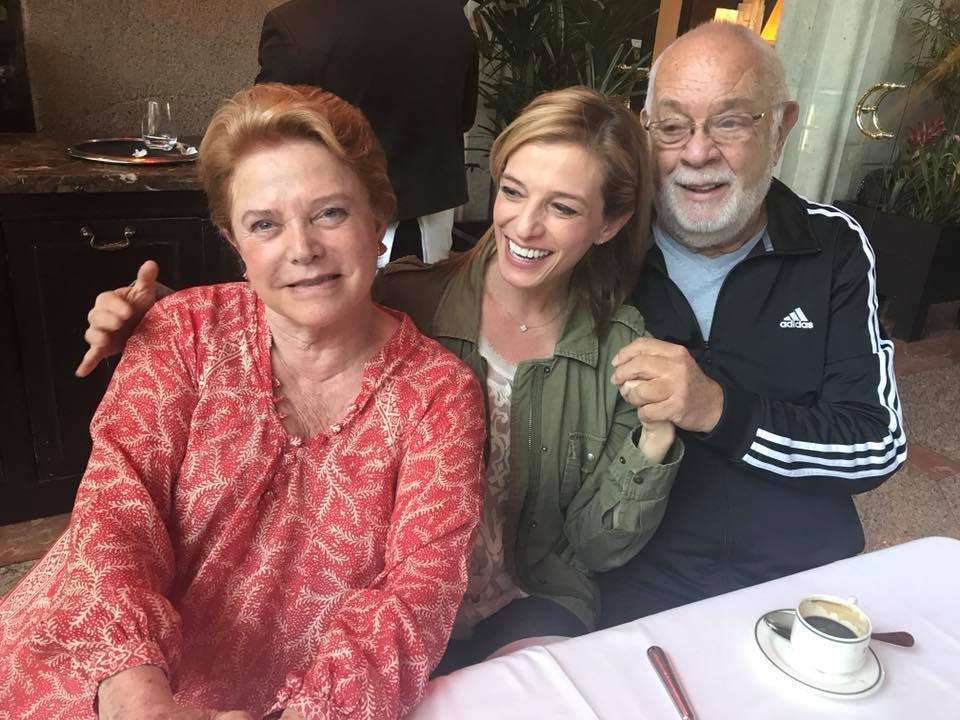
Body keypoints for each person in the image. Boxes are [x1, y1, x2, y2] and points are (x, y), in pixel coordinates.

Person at [75, 87, 684, 674]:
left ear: (609, 223)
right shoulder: (410, 294)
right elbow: (293, 315)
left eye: (563, 207)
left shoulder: (622, 352)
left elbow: (598, 548)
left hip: (521, 597)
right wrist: (159, 322)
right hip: (379, 592)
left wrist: (654, 438)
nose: (524, 227)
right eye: (513, 192)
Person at [0, 84, 486, 719]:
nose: (302, 248)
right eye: (265, 224)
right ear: (235, 243)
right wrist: (133, 694)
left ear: (379, 220)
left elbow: (412, 600)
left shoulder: (439, 394)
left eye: (330, 213)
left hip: (296, 699)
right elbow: (117, 513)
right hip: (95, 661)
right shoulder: (184, 332)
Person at [599, 21, 907, 626]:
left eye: (731, 121)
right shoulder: (607, 247)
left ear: (782, 126)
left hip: (802, 582)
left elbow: (874, 446)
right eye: (673, 125)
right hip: (637, 585)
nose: (697, 152)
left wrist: (717, 409)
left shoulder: (832, 247)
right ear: (646, 130)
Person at [256, 0, 479, 264]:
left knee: (344, 303)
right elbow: (465, 117)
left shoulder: (293, 22)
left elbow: (268, 132)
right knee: (430, 300)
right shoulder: (448, 13)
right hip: (432, 203)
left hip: (334, 210)